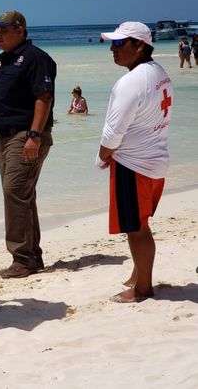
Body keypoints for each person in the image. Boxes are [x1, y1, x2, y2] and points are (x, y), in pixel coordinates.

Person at [97, 22, 173, 302]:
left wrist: (102, 157)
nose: (112, 50)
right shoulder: (159, 73)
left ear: (138, 46)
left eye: (119, 44)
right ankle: (138, 275)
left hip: (133, 165)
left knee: (136, 228)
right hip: (156, 162)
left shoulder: (130, 82)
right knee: (141, 223)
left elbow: (113, 132)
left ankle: (143, 289)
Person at [0, 10, 57, 279]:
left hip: (26, 135)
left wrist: (34, 136)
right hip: (4, 136)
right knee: (22, 195)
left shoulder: (36, 58)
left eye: (4, 30)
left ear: (21, 30)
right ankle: (31, 257)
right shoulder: (3, 63)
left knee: (14, 191)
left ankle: (23, 258)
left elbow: (44, 97)